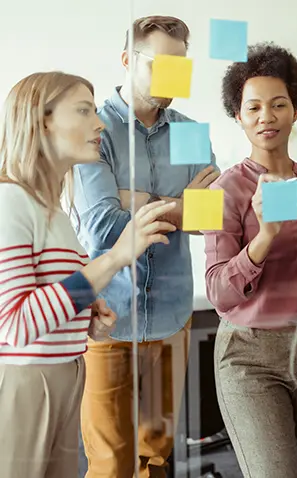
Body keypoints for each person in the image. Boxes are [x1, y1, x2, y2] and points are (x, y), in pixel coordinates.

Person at [0, 72, 175, 478]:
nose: (98, 123)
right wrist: (114, 259)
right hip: (28, 383)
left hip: (65, 373)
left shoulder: (55, 209)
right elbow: (16, 325)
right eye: (83, 110)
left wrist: (87, 316)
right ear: (41, 120)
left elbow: (49, 300)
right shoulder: (10, 200)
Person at [203, 42, 297, 478]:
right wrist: (264, 237)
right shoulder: (226, 192)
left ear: (295, 110)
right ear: (238, 117)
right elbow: (218, 289)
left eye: (278, 105)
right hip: (251, 352)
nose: (266, 116)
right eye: (253, 107)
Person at [73, 16, 219, 478]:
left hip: (172, 318)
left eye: (180, 66)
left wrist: (132, 199)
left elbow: (213, 218)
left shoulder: (192, 130)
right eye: (159, 65)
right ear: (126, 61)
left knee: (156, 459)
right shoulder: (94, 128)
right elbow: (101, 224)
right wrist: (182, 205)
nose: (170, 77)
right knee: (110, 463)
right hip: (107, 319)